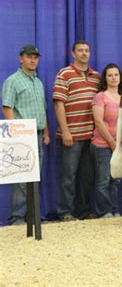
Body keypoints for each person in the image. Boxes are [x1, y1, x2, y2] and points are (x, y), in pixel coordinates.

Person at [2, 44, 50, 225]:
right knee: (22, 177)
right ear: (21, 58)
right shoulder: (12, 81)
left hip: (37, 134)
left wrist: (45, 132)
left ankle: (32, 217)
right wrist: (16, 134)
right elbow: (7, 108)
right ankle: (17, 218)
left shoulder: (38, 82)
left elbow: (42, 110)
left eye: (35, 57)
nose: (33, 60)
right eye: (29, 57)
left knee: (35, 177)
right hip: (23, 136)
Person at [53, 40, 100, 221]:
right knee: (68, 176)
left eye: (87, 50)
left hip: (91, 136)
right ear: (73, 54)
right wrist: (65, 131)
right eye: (80, 50)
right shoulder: (64, 74)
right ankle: (65, 212)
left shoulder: (96, 77)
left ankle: (83, 211)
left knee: (87, 177)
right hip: (71, 135)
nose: (84, 53)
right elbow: (59, 104)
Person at [91, 63, 122, 217]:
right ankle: (104, 212)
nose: (114, 78)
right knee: (103, 180)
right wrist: (113, 144)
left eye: (116, 75)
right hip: (103, 145)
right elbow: (98, 122)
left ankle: (114, 210)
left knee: (115, 180)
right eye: (110, 75)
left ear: (120, 77)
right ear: (105, 79)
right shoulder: (100, 97)